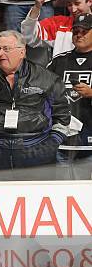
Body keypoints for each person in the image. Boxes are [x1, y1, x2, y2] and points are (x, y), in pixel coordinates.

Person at [0, 30, 71, 179]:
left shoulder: (47, 79)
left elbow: (63, 116)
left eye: (6, 49)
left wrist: (50, 145)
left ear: (22, 52)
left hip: (36, 153)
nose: (1, 54)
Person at [46, 14, 92, 179]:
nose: (79, 35)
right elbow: (42, 90)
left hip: (89, 141)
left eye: (84, 31)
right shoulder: (59, 60)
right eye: (76, 31)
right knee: (61, 194)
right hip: (62, 141)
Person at [21, 0, 92, 58]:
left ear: (90, 1)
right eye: (69, 4)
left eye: (77, 3)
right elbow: (29, 37)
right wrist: (37, 7)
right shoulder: (59, 23)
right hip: (61, 71)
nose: (73, 10)